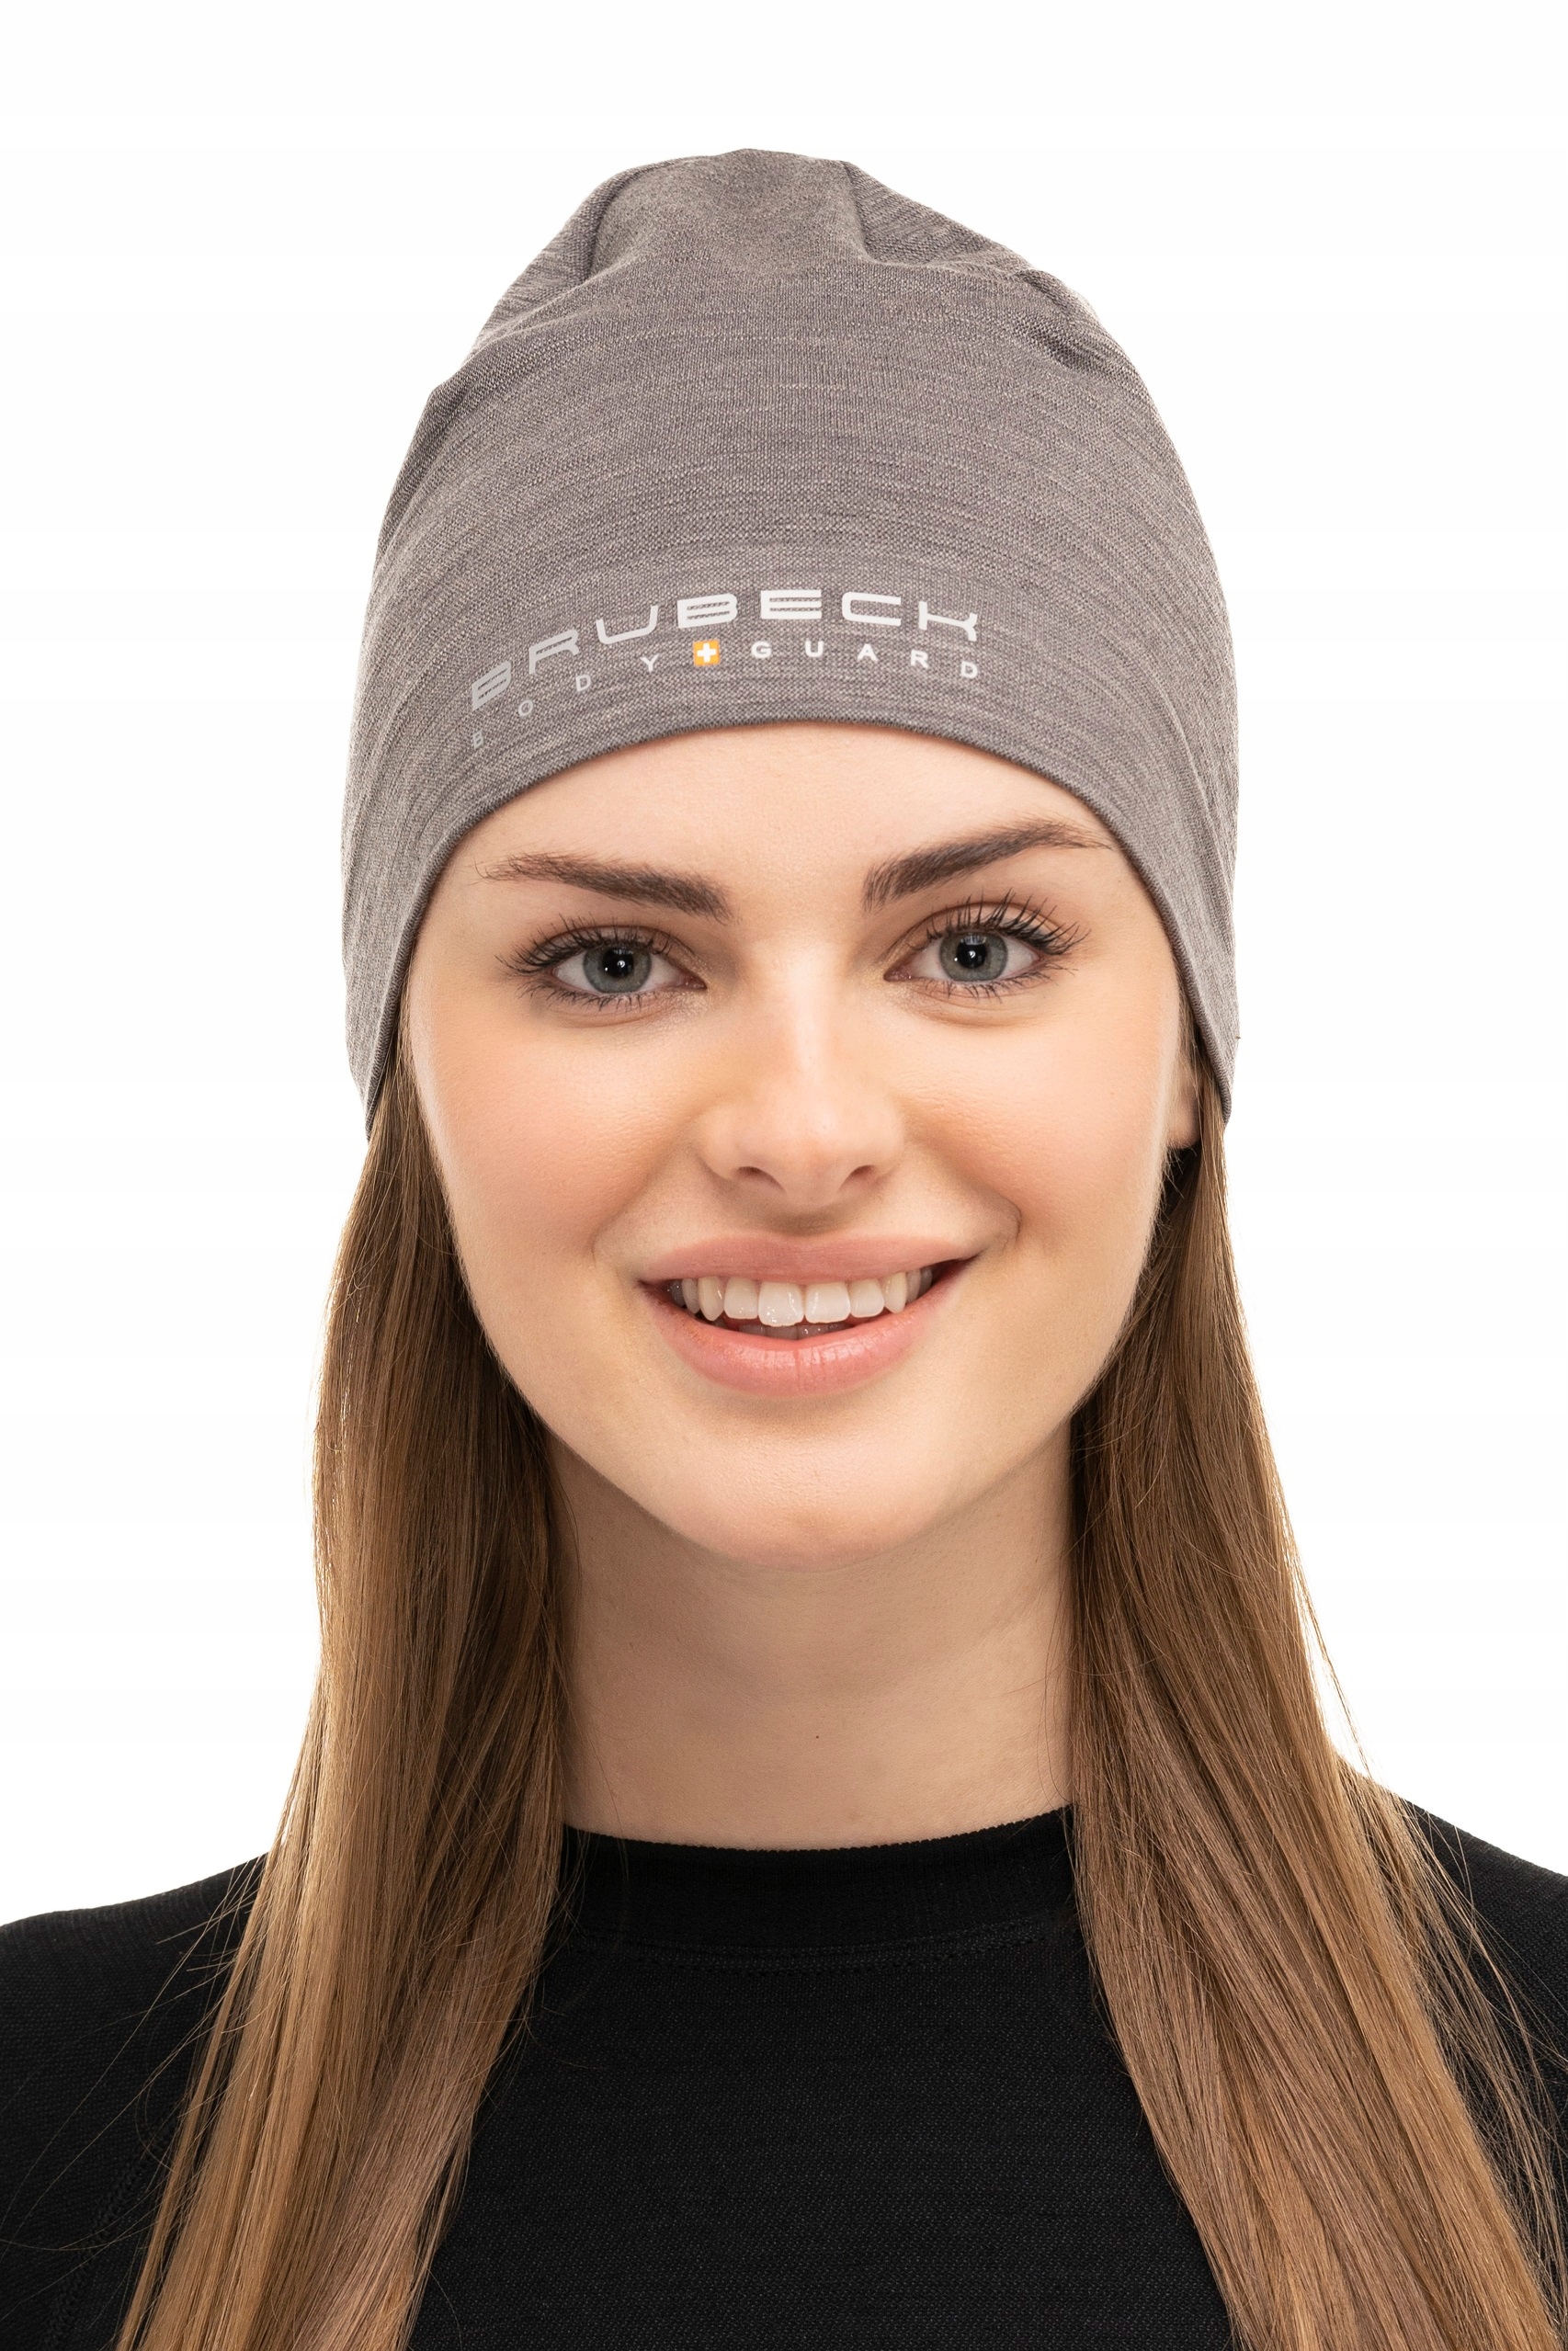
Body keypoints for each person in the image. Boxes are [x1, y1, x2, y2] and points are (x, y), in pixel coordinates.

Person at [1, 149, 1564, 2351]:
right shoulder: (42, 2140)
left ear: (1188, 1052)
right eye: (615, 961)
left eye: (977, 944)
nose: (804, 1129)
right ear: (408, 1069)